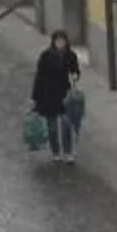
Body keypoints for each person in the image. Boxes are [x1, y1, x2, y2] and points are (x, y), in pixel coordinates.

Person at [32, 30, 83, 162]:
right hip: (49, 95)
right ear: (53, 42)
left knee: (66, 124)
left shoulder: (71, 56)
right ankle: (55, 151)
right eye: (58, 41)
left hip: (65, 94)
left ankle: (68, 152)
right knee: (52, 128)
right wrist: (36, 97)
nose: (60, 43)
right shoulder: (45, 56)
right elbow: (39, 77)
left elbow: (75, 71)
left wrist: (75, 76)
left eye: (62, 41)